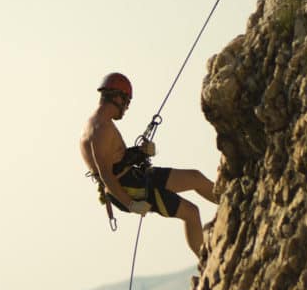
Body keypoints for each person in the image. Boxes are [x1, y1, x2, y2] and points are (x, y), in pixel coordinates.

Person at [79, 72, 218, 257]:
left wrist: (140, 152)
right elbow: (106, 176)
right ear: (117, 98)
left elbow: (115, 161)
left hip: (134, 178)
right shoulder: (100, 129)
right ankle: (206, 261)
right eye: (126, 102)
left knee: (195, 177)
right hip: (130, 188)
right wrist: (131, 205)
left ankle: (230, 202)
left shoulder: (100, 124)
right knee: (191, 212)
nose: (126, 108)